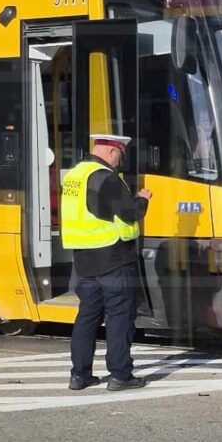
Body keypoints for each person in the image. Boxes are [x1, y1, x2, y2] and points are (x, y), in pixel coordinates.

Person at [62, 134, 151, 392]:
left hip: (83, 261)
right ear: (113, 152)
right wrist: (143, 198)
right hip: (113, 259)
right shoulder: (106, 178)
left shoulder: (73, 177)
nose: (119, 161)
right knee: (119, 318)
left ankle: (79, 375)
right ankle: (120, 375)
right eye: (120, 156)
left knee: (87, 317)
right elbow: (130, 212)